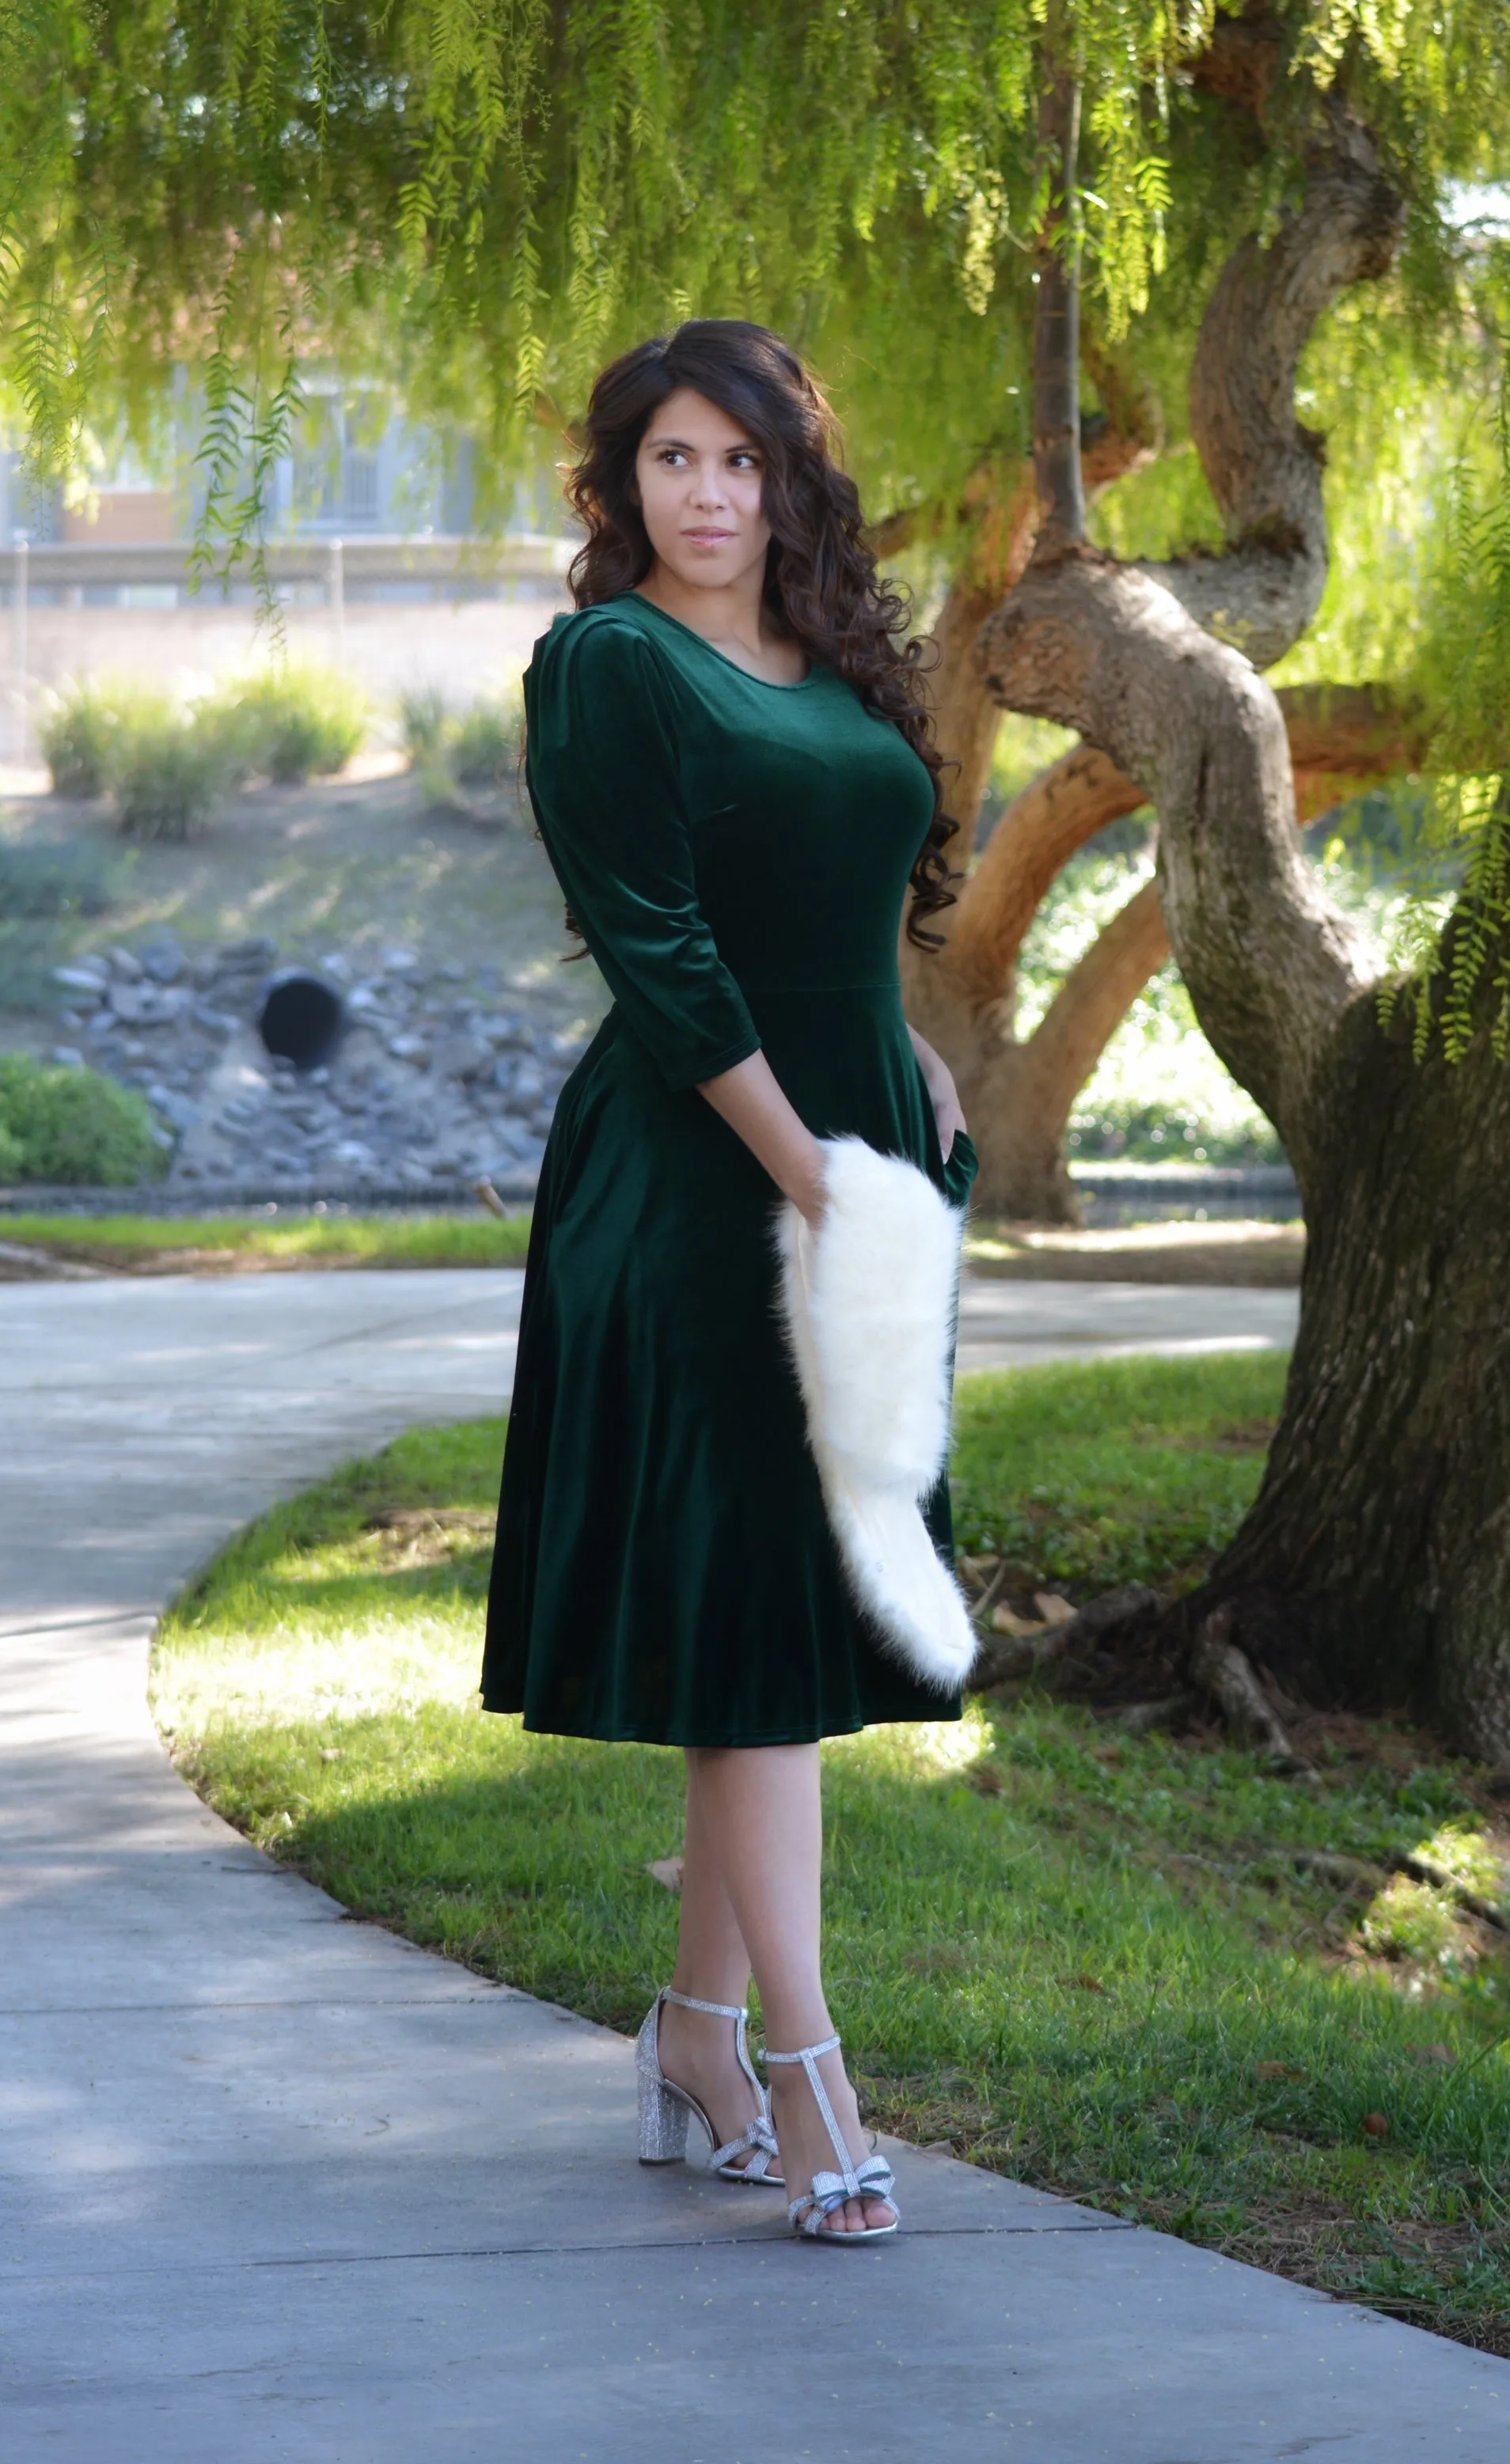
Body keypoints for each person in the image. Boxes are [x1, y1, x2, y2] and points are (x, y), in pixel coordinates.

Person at [481, 318, 977, 2246]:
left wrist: (909, 1057)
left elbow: (841, 888)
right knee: (761, 1638)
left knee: (762, 1630)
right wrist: (814, 1177)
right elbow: (670, 955)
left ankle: (692, 2023)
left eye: (744, 462)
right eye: (675, 461)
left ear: (791, 481)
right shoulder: (608, 665)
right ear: (627, 486)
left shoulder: (831, 656)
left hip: (853, 1142)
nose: (711, 495)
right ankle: (804, 2063)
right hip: (711, 1189)